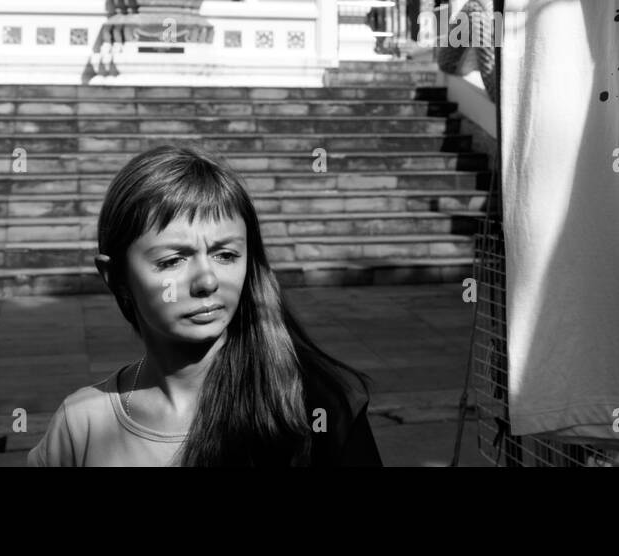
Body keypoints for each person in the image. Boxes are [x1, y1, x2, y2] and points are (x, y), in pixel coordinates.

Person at [27, 144, 382, 466]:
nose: (207, 280)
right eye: (172, 261)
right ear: (115, 276)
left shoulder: (316, 409)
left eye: (226, 255)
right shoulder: (81, 426)